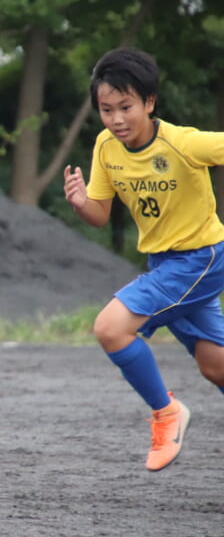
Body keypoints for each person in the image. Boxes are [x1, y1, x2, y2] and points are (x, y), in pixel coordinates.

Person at [64, 47, 224, 471]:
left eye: (126, 107)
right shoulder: (105, 147)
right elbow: (99, 215)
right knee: (215, 366)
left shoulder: (183, 143)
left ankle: (166, 412)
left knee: (110, 328)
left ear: (149, 103)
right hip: (163, 265)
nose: (116, 119)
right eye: (106, 109)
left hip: (200, 260)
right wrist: (81, 203)